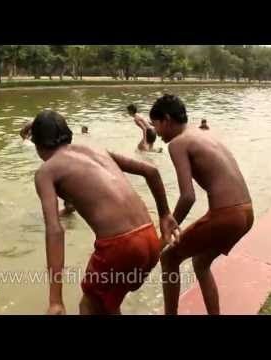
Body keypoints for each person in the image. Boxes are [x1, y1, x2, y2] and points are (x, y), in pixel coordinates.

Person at [30, 110, 179, 315]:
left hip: (121, 247)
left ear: (37, 145)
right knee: (108, 304)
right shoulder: (96, 150)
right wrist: (165, 214)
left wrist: (56, 299)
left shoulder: (46, 172)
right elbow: (151, 172)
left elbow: (55, 231)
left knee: (88, 307)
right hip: (149, 238)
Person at [149, 94, 253, 315]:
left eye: (156, 125)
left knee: (168, 258)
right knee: (201, 262)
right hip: (246, 213)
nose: (156, 133)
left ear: (166, 120)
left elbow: (188, 196)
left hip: (227, 214)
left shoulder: (178, 143)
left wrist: (168, 225)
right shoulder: (204, 134)